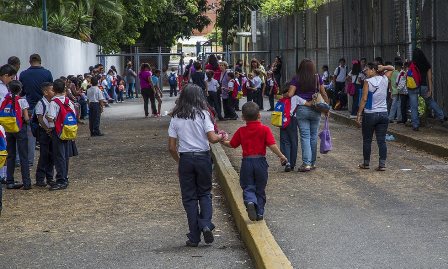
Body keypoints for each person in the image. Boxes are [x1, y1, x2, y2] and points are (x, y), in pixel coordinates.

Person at [168, 84, 225, 247]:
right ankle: (206, 223)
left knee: (189, 198)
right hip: (203, 158)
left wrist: (180, 163)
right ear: (200, 97)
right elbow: (212, 138)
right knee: (205, 194)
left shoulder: (175, 117)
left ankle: (194, 236)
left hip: (186, 159)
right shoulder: (204, 114)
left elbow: (171, 147)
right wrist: (221, 136)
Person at [221, 101, 287, 221]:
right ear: (259, 116)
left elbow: (232, 144)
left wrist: (221, 140)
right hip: (260, 162)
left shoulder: (241, 131)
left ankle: (250, 201)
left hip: (247, 162)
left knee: (248, 186)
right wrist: (281, 156)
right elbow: (272, 145)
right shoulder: (265, 130)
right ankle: (260, 213)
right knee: (260, 189)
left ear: (243, 117)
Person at [286, 58, 330, 172]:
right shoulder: (317, 77)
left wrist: (284, 94)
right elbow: (323, 93)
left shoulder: (297, 78)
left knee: (305, 137)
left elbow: (290, 94)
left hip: (302, 110)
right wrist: (327, 108)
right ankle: (313, 162)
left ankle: (306, 164)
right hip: (316, 109)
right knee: (313, 136)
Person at [356, 63, 394, 171]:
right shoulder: (385, 79)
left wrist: (359, 114)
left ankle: (366, 163)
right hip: (383, 113)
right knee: (381, 140)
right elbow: (392, 68)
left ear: (373, 70)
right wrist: (385, 68)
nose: (365, 72)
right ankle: (382, 164)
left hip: (370, 114)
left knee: (367, 140)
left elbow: (364, 99)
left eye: (367, 70)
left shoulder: (367, 82)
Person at [19, 54, 53, 167]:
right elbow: (51, 89)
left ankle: (29, 161)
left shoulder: (23, 74)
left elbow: (22, 92)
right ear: (40, 61)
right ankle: (48, 157)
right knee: (47, 131)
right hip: (45, 107)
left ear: (29, 61)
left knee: (30, 135)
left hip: (29, 107)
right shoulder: (47, 73)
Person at [46, 79, 76, 190]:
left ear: (53, 90)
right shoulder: (68, 101)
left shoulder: (54, 103)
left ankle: (61, 180)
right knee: (65, 155)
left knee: (59, 156)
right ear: (64, 89)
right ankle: (65, 177)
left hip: (57, 131)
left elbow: (51, 117)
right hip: (68, 130)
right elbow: (74, 113)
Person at [3, 80, 31, 190]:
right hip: (20, 129)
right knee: (23, 155)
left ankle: (9, 181)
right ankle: (26, 182)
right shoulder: (22, 101)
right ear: (20, 90)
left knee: (10, 155)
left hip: (8, 129)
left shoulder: (5, 99)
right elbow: (26, 117)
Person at [408, 48, 445, 131]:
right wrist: (430, 90)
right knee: (430, 101)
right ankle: (441, 116)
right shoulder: (426, 64)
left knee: (414, 107)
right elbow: (429, 78)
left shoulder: (412, 64)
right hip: (423, 87)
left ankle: (415, 125)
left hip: (413, 87)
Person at [35, 82, 56, 187]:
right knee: (44, 155)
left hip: (52, 131)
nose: (54, 91)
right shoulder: (41, 103)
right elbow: (40, 118)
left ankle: (50, 177)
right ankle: (39, 178)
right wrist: (46, 129)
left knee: (52, 155)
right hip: (44, 132)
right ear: (45, 92)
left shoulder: (53, 102)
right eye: (52, 90)